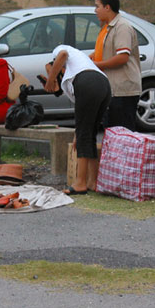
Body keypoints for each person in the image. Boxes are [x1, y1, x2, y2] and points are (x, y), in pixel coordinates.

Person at [44, 44, 111, 195]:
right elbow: (83, 122)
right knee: (89, 134)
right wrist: (77, 133)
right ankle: (92, 181)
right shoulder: (79, 63)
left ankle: (80, 182)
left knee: (85, 136)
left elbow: (62, 54)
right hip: (104, 85)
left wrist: (50, 79)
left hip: (88, 83)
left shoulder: (61, 50)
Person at [90, 0, 142, 131]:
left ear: (107, 7)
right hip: (111, 90)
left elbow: (122, 57)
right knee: (112, 132)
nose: (95, 11)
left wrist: (97, 65)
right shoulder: (107, 27)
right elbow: (105, 51)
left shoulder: (122, 27)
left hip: (123, 91)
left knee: (122, 133)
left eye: (97, 6)